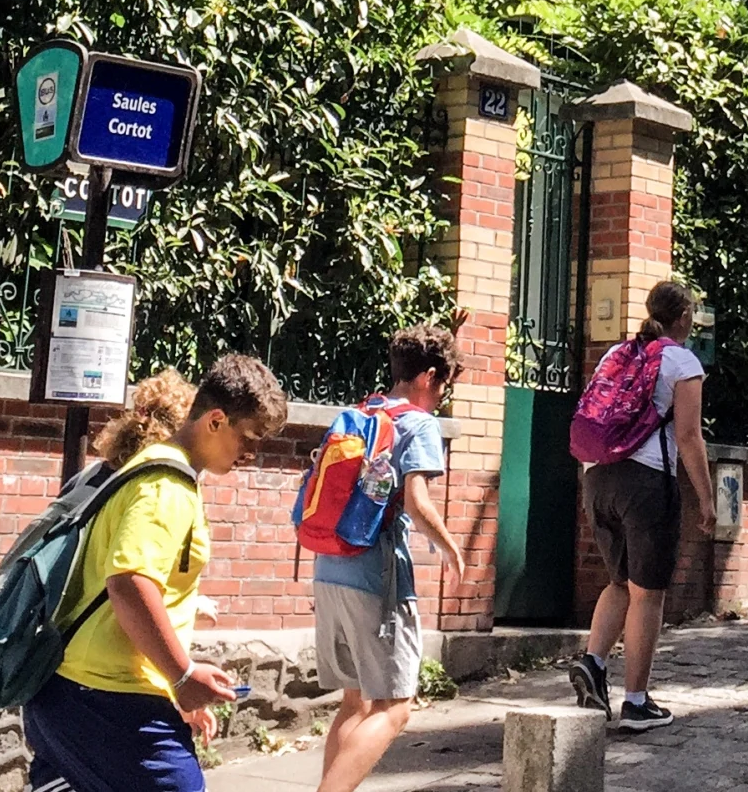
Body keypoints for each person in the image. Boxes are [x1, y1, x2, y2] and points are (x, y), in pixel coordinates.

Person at [28, 355, 289, 792]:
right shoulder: (167, 487)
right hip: (110, 701)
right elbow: (129, 583)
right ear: (215, 420)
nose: (251, 452)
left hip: (70, 693)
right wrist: (182, 676)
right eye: (248, 437)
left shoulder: (154, 467)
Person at [313, 325, 469, 792]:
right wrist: (451, 547)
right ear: (426, 377)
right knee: (396, 706)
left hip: (329, 566)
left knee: (356, 701)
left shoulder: (359, 411)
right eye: (444, 385)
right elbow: (418, 502)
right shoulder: (418, 424)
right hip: (376, 578)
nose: (442, 397)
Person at [567, 280, 714, 731]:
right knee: (648, 594)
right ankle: (636, 702)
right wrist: (707, 500)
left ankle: (593, 663)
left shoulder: (617, 354)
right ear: (684, 317)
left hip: (598, 478)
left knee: (619, 582)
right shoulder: (681, 360)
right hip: (646, 484)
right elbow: (689, 437)